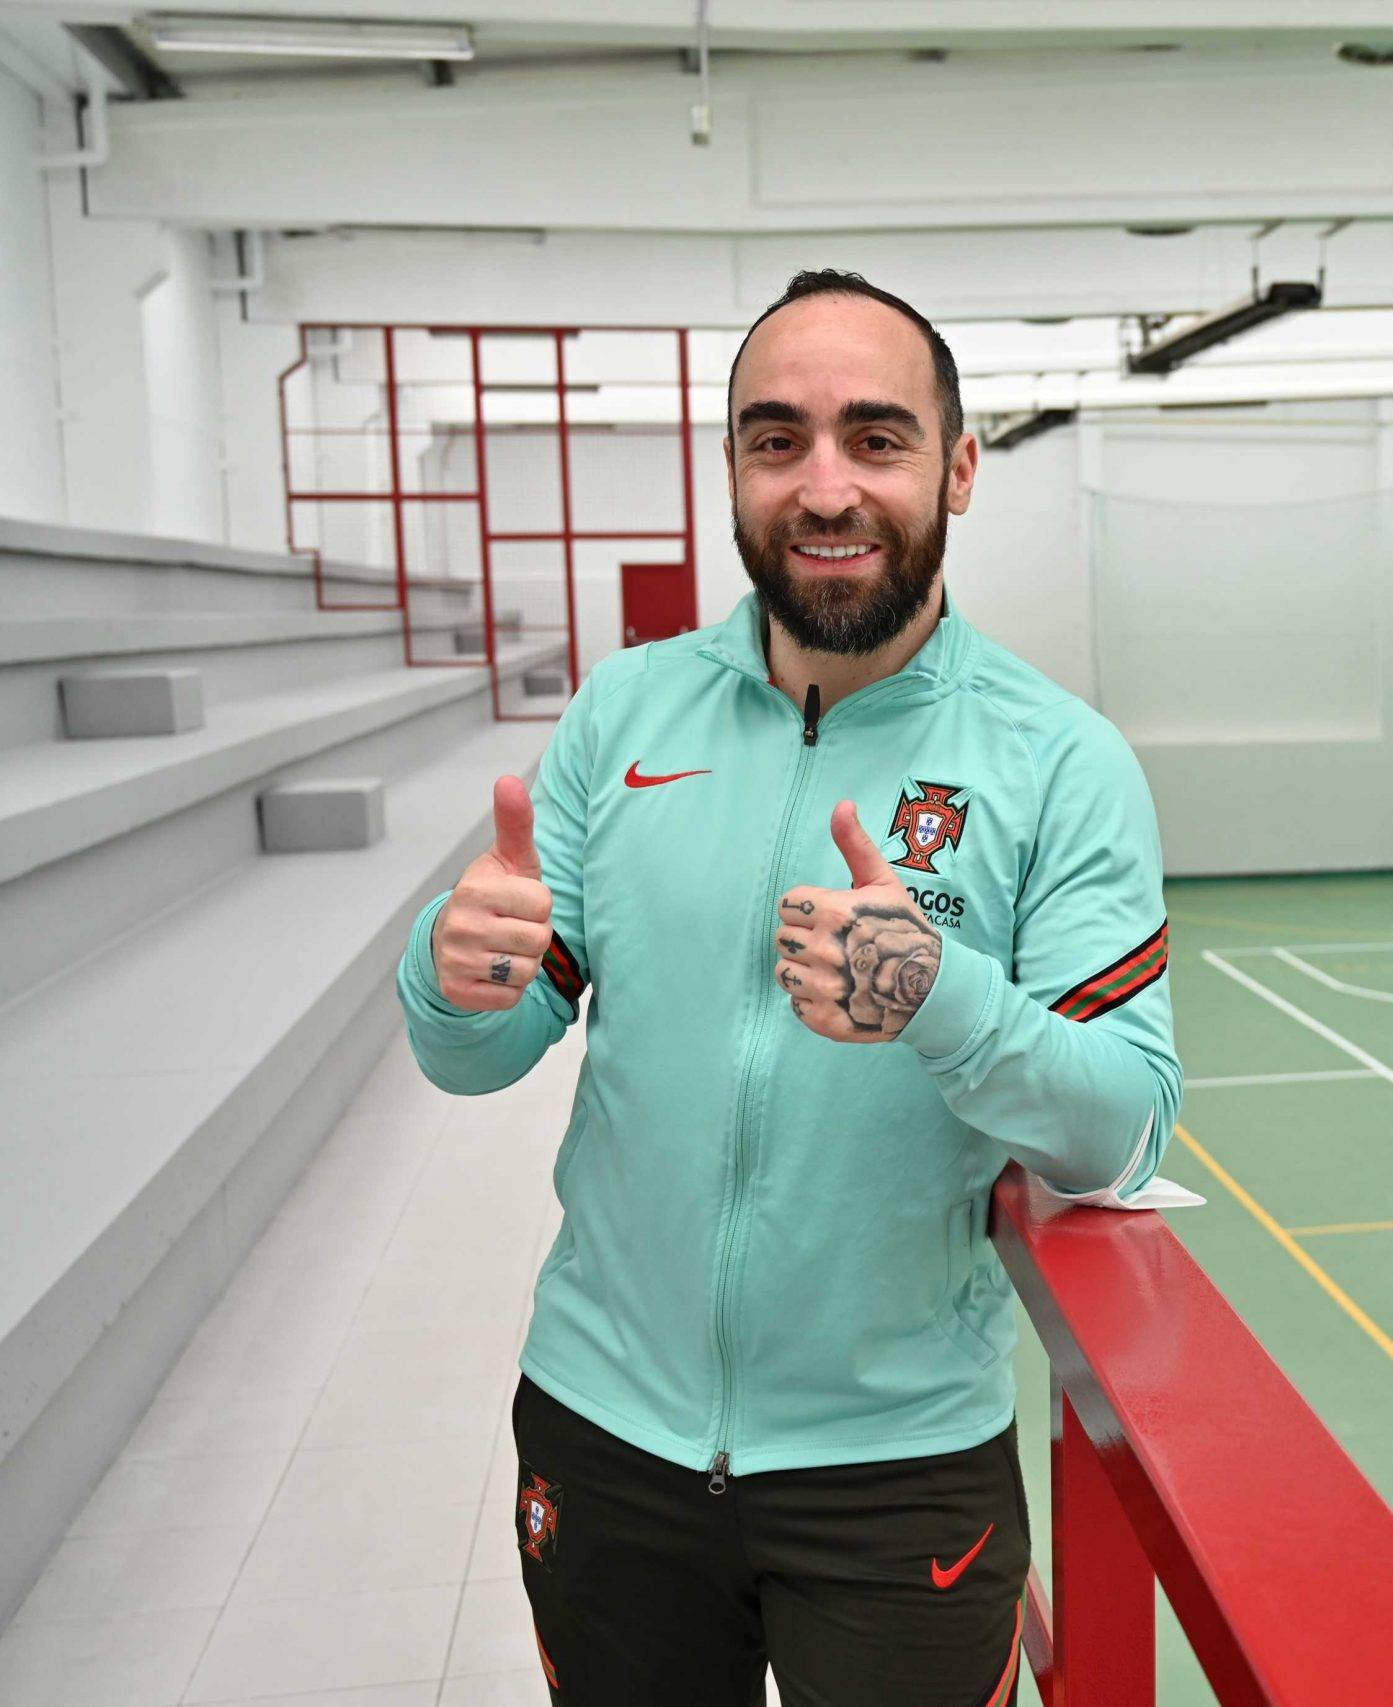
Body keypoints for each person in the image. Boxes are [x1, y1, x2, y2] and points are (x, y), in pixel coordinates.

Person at [395, 269, 1181, 1705]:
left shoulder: (1062, 763)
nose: (825, 486)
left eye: (875, 439)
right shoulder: (625, 716)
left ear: (955, 468)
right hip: (601, 1428)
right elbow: (477, 1055)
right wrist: (452, 979)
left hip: (897, 1474)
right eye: (778, 440)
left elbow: (1123, 1128)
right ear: (733, 470)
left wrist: (943, 997)